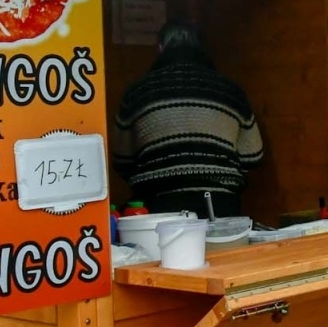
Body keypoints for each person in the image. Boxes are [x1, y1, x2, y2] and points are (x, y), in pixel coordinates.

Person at [112, 20, 264, 217]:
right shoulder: (231, 91)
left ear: (160, 48)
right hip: (221, 204)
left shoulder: (137, 92)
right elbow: (253, 155)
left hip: (158, 205)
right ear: (201, 48)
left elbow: (122, 160)